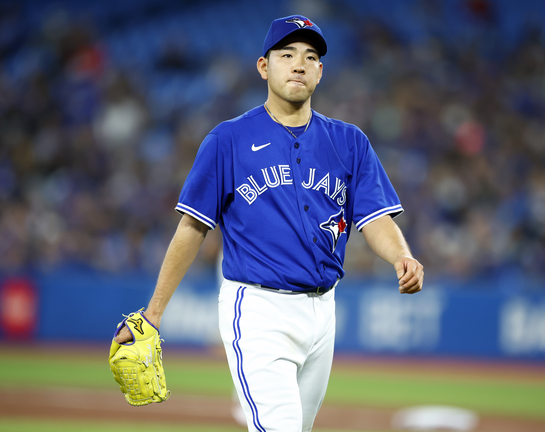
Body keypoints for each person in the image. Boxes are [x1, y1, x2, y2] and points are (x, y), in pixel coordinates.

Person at [115, 14, 424, 432]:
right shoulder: (227, 140)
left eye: (310, 56)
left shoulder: (350, 142)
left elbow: (374, 219)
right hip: (258, 309)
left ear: (320, 71)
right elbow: (191, 229)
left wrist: (401, 256)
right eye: (287, 54)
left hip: (323, 312)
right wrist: (153, 314)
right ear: (264, 67)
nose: (299, 63)